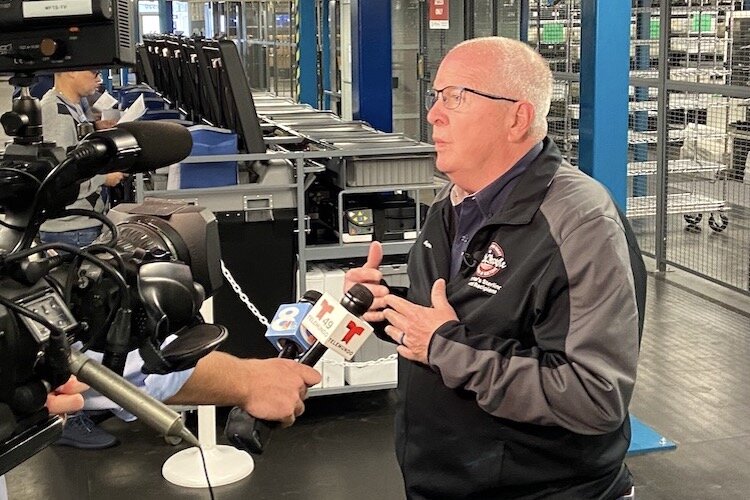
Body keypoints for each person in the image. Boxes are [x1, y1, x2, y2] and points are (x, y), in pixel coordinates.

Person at [345, 37, 646, 499]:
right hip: (444, 478)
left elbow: (593, 398)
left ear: (517, 118)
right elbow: (451, 322)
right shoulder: (450, 203)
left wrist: (447, 348)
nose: (433, 115)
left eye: (456, 98)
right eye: (436, 96)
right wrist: (386, 309)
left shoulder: (581, 224)